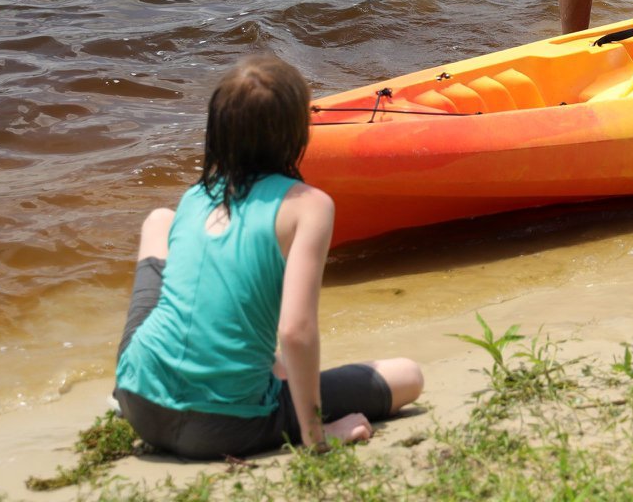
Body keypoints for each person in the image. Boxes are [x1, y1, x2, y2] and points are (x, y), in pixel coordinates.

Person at [114, 56, 424, 459]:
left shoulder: (194, 197)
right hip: (225, 427)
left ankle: (142, 375)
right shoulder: (308, 206)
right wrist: (318, 435)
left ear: (218, 131)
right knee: (408, 376)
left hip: (139, 401)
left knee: (159, 222)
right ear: (296, 133)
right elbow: (295, 330)